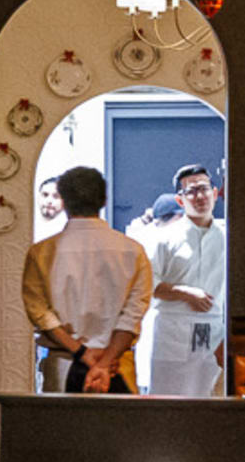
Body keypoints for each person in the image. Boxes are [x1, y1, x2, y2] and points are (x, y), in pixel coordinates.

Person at [23, 163, 151, 392]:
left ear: (63, 200)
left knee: (64, 427)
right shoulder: (133, 251)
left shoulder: (41, 252)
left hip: (63, 363)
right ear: (104, 200)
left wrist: (82, 353)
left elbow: (40, 314)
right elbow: (132, 315)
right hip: (117, 365)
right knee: (121, 428)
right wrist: (103, 362)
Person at [143, 162, 228, 396]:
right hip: (172, 331)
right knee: (168, 401)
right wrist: (184, 292)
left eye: (203, 188)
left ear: (215, 193)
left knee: (212, 400)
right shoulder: (164, 238)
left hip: (214, 330)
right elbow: (147, 283)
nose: (199, 196)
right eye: (190, 191)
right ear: (180, 200)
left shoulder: (228, 236)